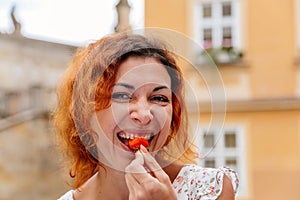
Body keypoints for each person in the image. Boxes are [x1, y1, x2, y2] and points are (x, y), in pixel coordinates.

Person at [53, 31, 238, 200]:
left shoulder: (209, 190)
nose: (144, 115)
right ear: (85, 113)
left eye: (158, 98)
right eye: (122, 95)